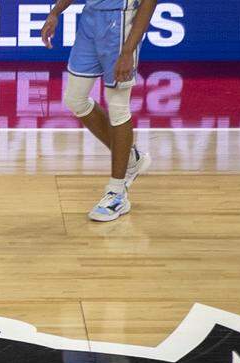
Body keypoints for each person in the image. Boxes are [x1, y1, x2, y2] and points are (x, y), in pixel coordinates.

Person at [43, 0, 156, 222]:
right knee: (75, 99)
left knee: (118, 107)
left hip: (121, 24)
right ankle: (131, 159)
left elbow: (149, 3)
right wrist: (55, 12)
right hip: (90, 21)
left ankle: (117, 193)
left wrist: (128, 51)